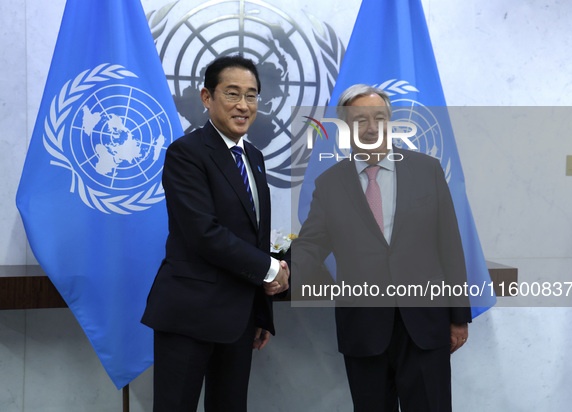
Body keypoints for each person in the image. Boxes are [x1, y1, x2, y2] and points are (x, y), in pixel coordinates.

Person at [292, 84, 471, 411]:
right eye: (360, 120)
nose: (372, 127)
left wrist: (459, 316)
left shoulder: (426, 171)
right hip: (364, 329)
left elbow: (450, 245)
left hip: (424, 325)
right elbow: (310, 245)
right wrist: (278, 273)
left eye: (380, 118)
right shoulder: (330, 184)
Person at [141, 55, 289, 412]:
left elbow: (253, 234)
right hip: (189, 315)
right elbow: (204, 234)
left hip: (237, 320)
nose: (243, 105)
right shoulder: (186, 154)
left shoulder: (253, 156)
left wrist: (260, 312)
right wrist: (271, 270)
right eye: (232, 94)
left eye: (252, 95)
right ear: (207, 97)